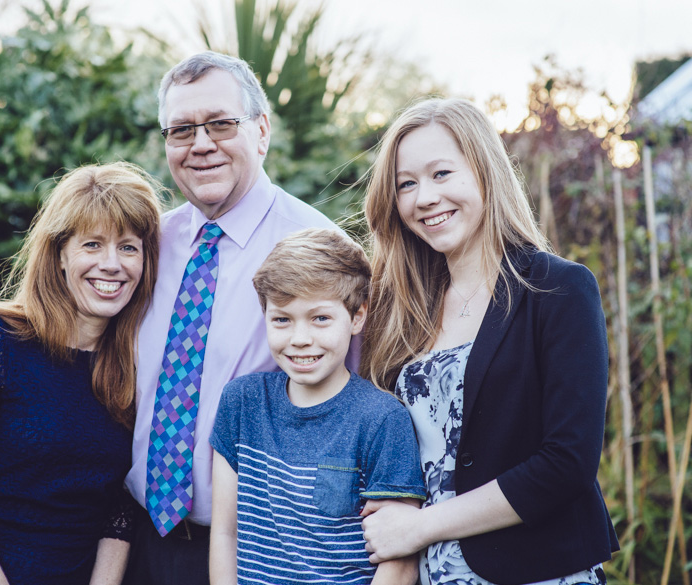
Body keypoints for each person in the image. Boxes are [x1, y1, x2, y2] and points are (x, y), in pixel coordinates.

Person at [359, 98, 619, 585]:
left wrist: (422, 526)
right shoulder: (400, 310)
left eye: (441, 174)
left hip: (538, 572)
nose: (424, 198)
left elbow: (567, 463)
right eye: (406, 184)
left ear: (484, 171)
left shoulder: (557, 289)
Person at [123, 52, 342, 585]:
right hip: (129, 538)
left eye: (221, 123)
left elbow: (346, 405)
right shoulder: (147, 245)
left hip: (250, 554)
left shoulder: (317, 249)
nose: (201, 144)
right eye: (181, 130)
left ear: (261, 131)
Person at [0, 162, 162, 585]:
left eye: (128, 247)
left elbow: (121, 504)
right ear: (60, 254)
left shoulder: (139, 361)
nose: (111, 264)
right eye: (92, 244)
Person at [208, 228, 427, 585]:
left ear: (356, 318)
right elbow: (225, 533)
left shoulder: (382, 420)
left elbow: (399, 564)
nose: (299, 339)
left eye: (320, 318)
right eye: (282, 319)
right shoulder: (242, 402)